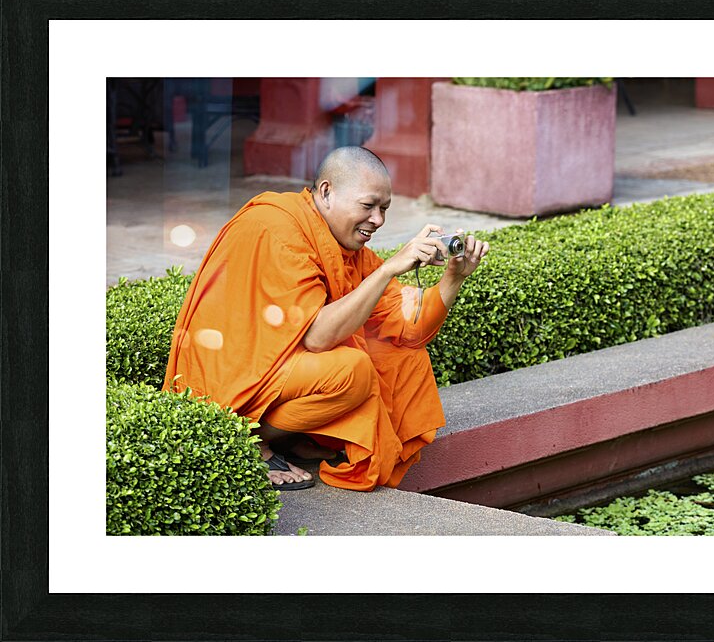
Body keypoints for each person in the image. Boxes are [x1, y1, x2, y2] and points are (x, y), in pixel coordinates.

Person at [163, 146, 489, 492]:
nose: (378, 220)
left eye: (384, 209)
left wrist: (453, 278)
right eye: (368, 206)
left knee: (402, 357)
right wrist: (392, 267)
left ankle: (292, 434)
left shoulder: (345, 248)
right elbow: (317, 337)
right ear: (326, 192)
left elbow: (407, 326)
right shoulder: (276, 227)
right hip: (230, 372)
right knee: (352, 370)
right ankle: (243, 437)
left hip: (277, 362)